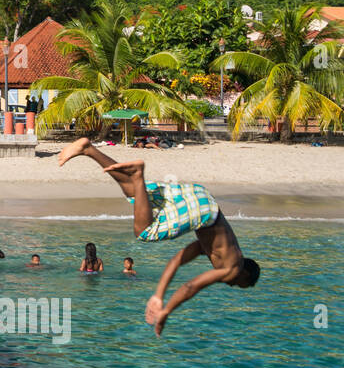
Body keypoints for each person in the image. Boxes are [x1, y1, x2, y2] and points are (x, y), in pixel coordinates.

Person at [57, 137, 259, 335]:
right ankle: (138, 174)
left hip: (203, 199)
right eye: (242, 285)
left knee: (138, 194)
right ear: (246, 275)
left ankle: (88, 149)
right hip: (204, 212)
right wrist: (166, 311)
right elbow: (191, 286)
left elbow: (176, 260)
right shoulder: (232, 269)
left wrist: (158, 296)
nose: (234, 285)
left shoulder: (215, 248)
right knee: (145, 232)